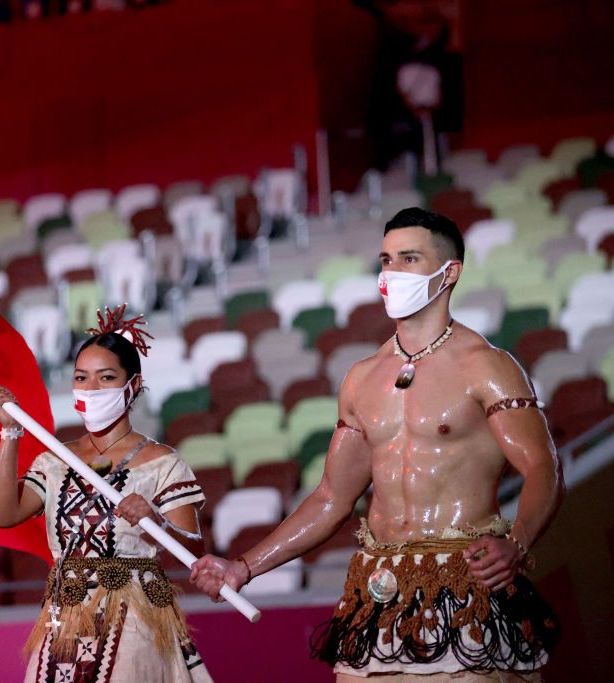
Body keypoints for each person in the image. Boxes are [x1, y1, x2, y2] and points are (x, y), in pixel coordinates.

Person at [191, 208, 563, 681]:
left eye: (409, 259)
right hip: (377, 592)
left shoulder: (487, 366)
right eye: (386, 260)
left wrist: (517, 541)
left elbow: (543, 467)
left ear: (450, 272)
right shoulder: (362, 378)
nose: (391, 273)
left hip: (467, 586)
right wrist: (242, 567)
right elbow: (331, 497)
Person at [0, 305, 212, 682]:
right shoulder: (54, 460)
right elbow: (3, 514)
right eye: (81, 377)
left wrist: (155, 520)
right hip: (63, 615)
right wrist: (9, 433)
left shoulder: (162, 462)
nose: (90, 388)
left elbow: (195, 551)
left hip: (137, 615)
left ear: (132, 385)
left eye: (106, 377)